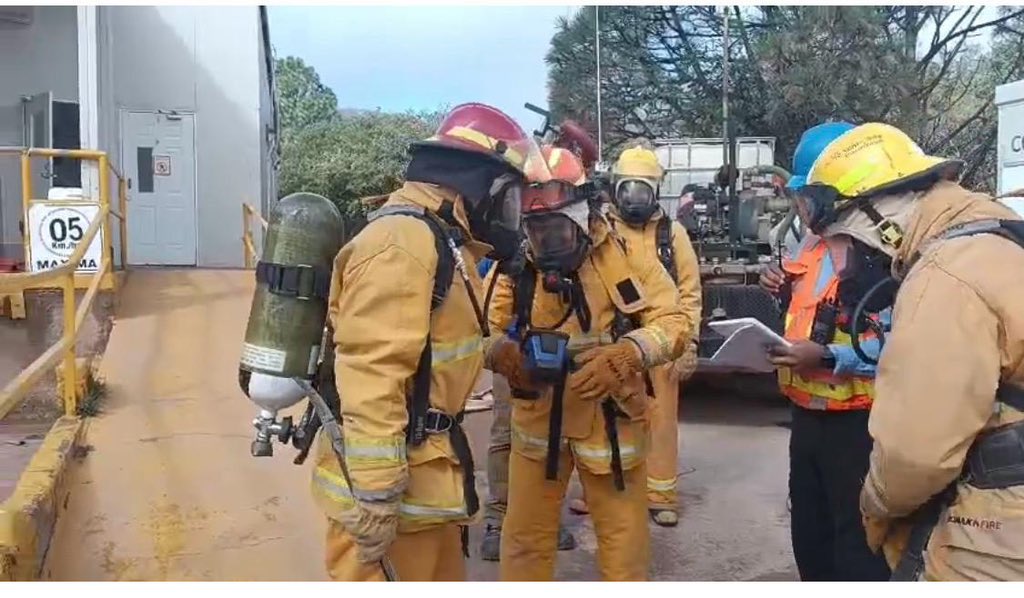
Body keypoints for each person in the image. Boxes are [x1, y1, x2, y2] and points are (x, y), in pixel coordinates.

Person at [310, 103, 546, 581]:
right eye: (510, 197)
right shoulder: (402, 243)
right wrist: (376, 497)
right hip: (392, 499)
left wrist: (493, 352)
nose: (512, 214)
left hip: (428, 482)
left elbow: (432, 341)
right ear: (480, 184)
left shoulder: (442, 240)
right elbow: (372, 371)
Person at [803, 122, 1024, 581]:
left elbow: (915, 458)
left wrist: (875, 504)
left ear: (879, 222)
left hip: (999, 534)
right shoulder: (1000, 236)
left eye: (843, 243)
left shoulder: (944, 276)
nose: (841, 267)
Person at [484, 145, 692, 580]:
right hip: (539, 425)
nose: (546, 243)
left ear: (584, 216)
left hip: (611, 424)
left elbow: (674, 322)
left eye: (556, 231)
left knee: (623, 545)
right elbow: (477, 325)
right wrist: (500, 352)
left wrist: (629, 353)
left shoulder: (625, 255)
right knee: (524, 540)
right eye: (536, 231)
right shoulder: (517, 266)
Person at [759, 121, 892, 581]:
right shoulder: (813, 245)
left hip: (858, 427)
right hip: (807, 419)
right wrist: (780, 291)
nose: (800, 207)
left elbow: (898, 344)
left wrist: (830, 358)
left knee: (856, 547)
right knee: (810, 537)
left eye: (805, 196)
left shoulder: (880, 253)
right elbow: (814, 310)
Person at [600, 143, 702, 526]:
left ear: (656, 191)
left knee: (660, 421)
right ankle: (607, 492)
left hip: (662, 342)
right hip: (613, 340)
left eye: (642, 190)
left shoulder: (672, 234)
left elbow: (689, 291)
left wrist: (688, 342)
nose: (634, 199)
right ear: (615, 188)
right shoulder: (600, 230)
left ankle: (660, 495)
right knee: (608, 420)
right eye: (627, 189)